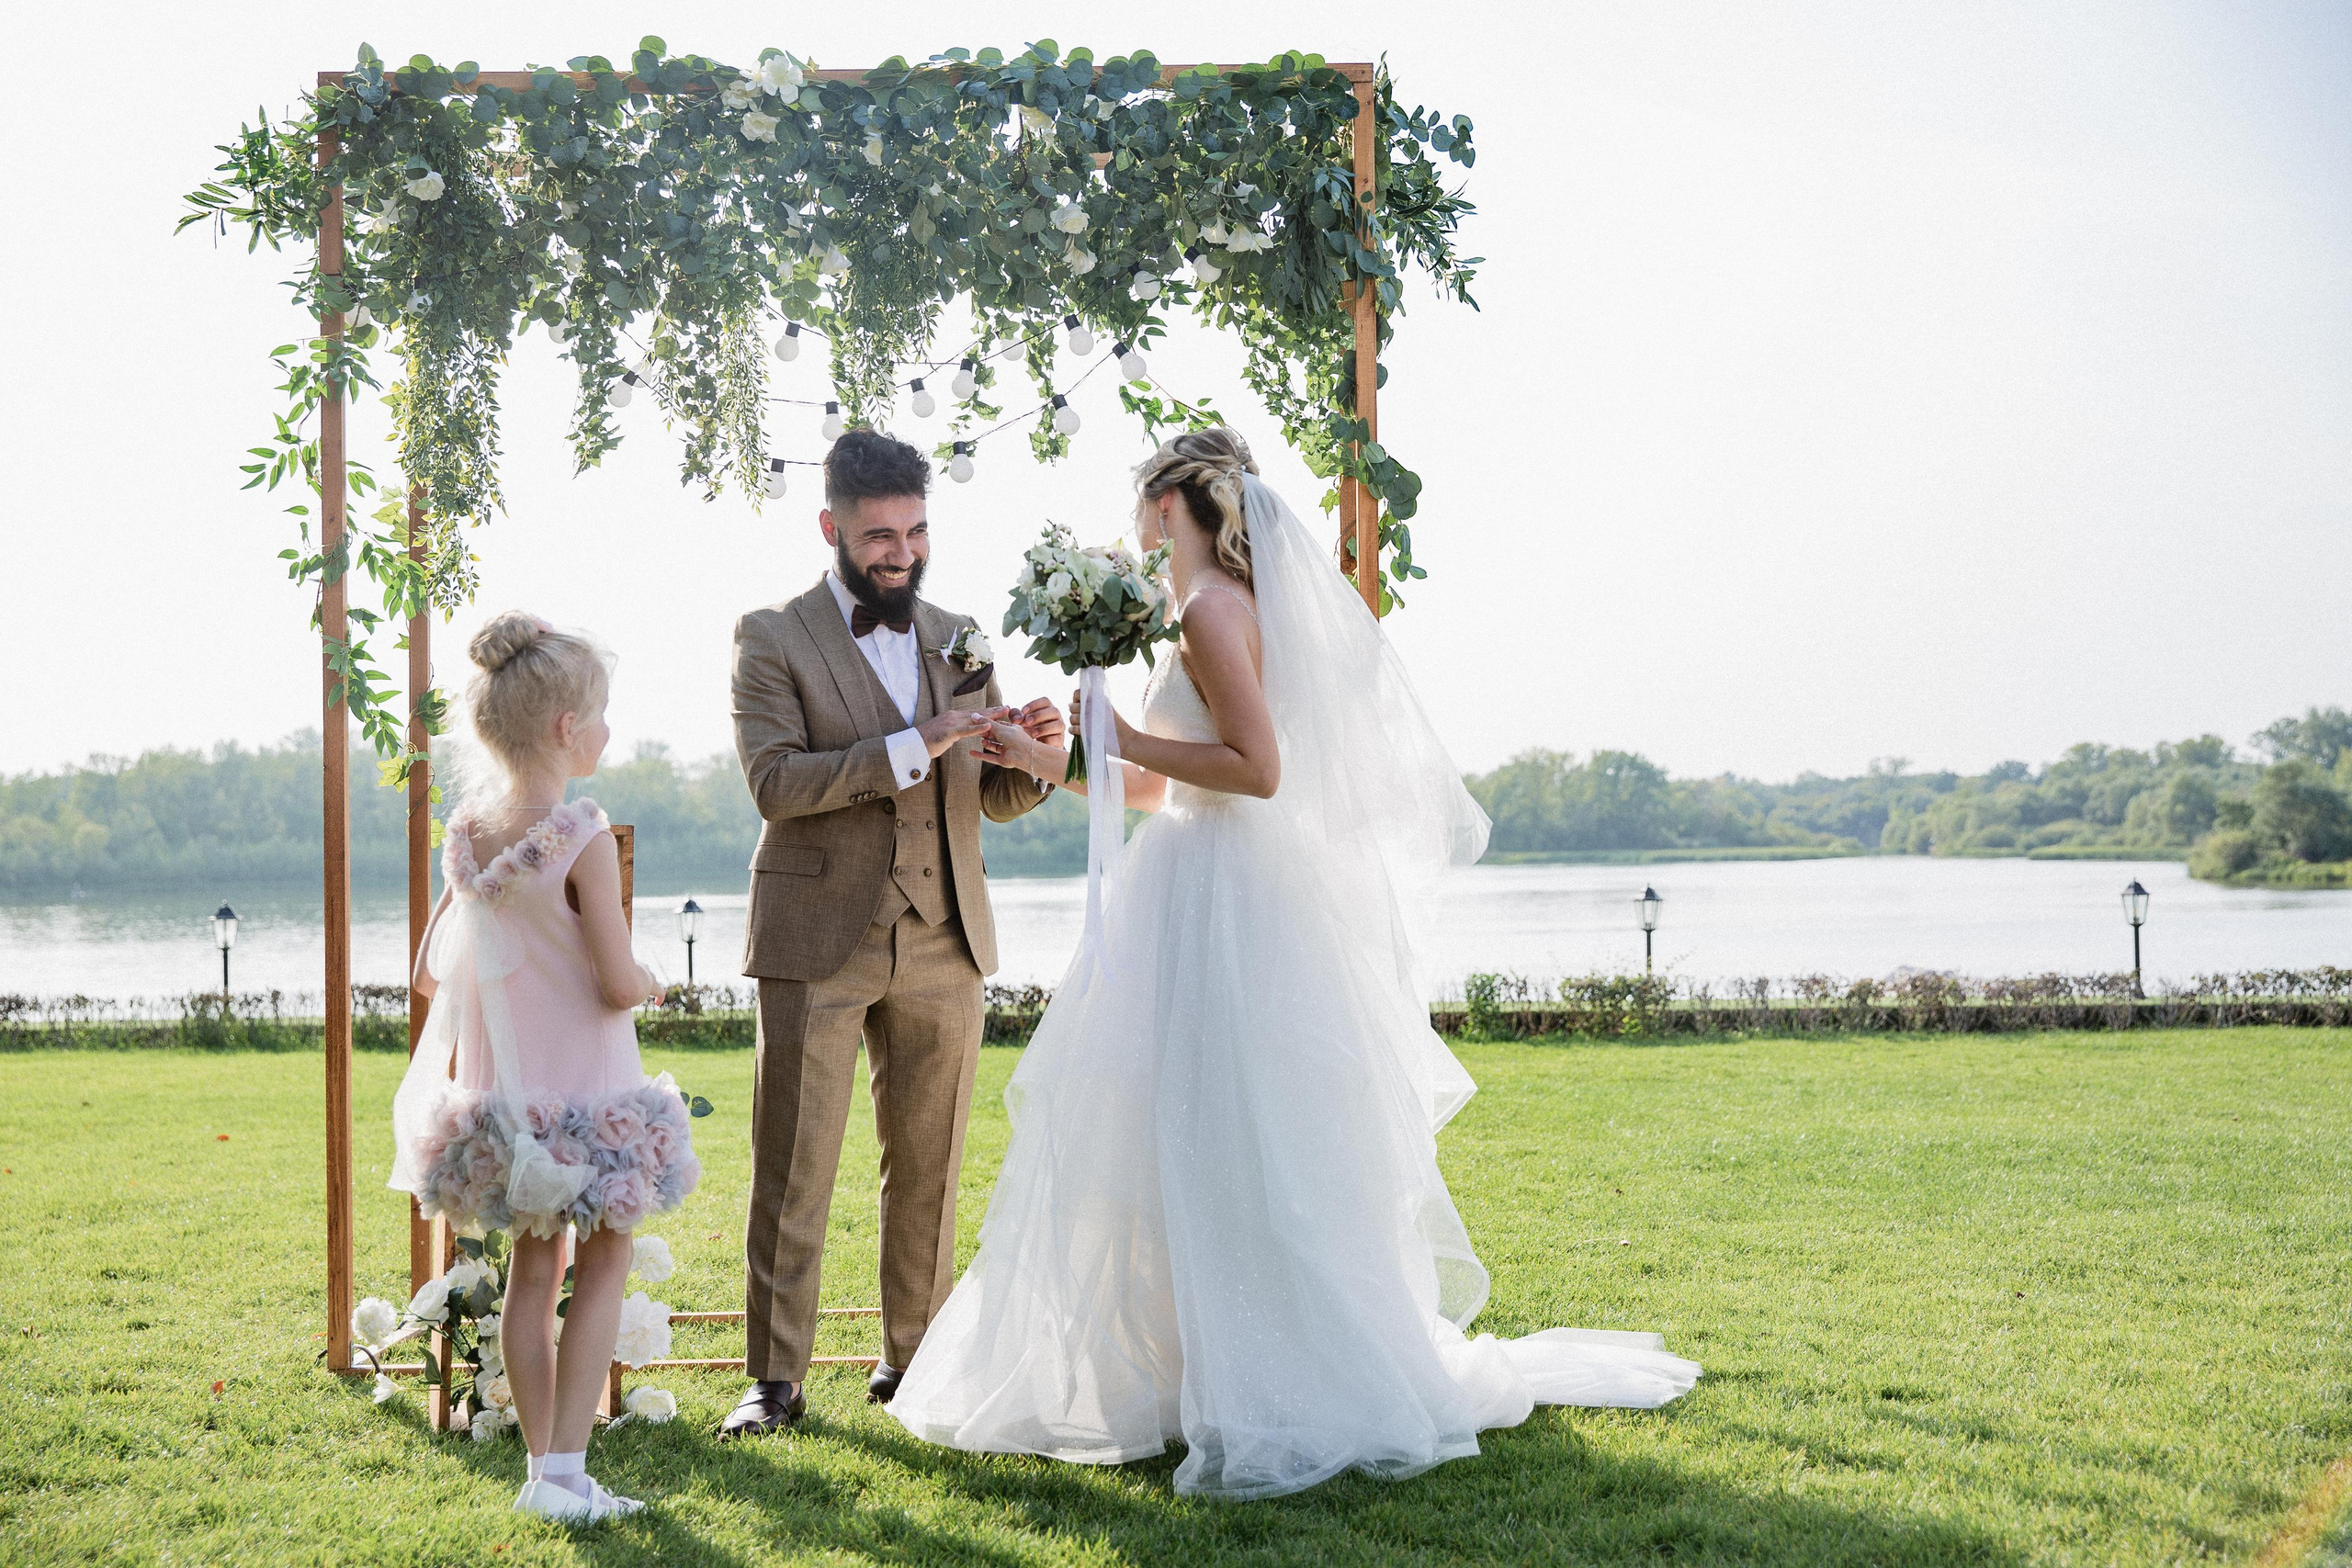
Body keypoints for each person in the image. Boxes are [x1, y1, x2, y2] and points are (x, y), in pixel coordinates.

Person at [889, 428, 1702, 1499]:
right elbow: (1163, 791)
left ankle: (1283, 1370)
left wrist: (1115, 737)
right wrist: (1055, 757)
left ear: (1172, 505)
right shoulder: (1197, 616)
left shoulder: (1218, 611)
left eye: (1143, 503)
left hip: (1231, 905)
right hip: (1189, 883)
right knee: (1175, 1134)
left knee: (1234, 1135)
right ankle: (1186, 1365)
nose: (1136, 523)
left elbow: (1256, 772)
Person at [720, 429, 1064, 1439]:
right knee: (795, 1162)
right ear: (830, 528)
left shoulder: (964, 635)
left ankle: (913, 1362)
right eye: (879, 535)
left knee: (930, 1163)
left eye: (915, 531)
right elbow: (775, 785)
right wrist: (912, 744)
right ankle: (773, 1382)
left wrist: (1036, 758)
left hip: (945, 934)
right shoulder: (770, 636)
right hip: (814, 931)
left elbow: (987, 795)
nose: (901, 553)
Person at [390, 612, 700, 1524]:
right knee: (603, 1269)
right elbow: (611, 980)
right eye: (600, 714)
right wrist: (650, 976)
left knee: (532, 1278)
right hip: (592, 1100)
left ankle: (543, 1471)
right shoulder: (581, 834)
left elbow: (456, 963)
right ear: (567, 729)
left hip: (508, 1102)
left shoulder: (469, 832)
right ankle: (565, 1475)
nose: (607, 729)